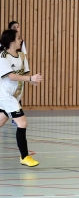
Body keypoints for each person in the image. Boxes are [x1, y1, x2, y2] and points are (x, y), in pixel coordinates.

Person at [0, 29, 43, 167]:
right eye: (18, 38)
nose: (21, 40)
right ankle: (24, 157)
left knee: (0, 121)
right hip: (5, 96)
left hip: (16, 96)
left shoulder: (22, 56)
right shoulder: (3, 57)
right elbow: (11, 76)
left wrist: (33, 80)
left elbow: (26, 73)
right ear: (11, 40)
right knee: (22, 123)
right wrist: (29, 78)